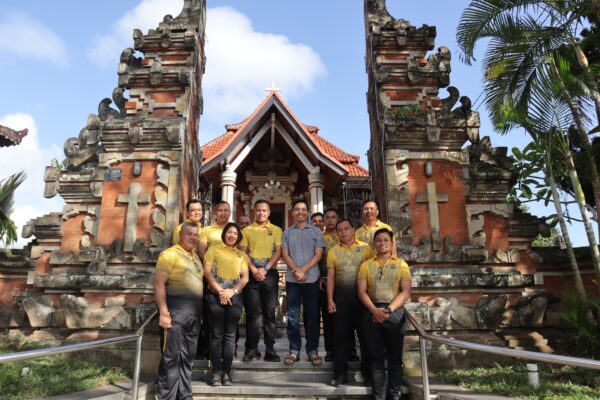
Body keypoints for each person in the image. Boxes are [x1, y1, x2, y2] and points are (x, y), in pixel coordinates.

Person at [357, 228, 412, 400]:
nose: (382, 243)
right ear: (374, 244)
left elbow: (405, 292)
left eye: (386, 240)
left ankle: (394, 394)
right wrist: (374, 310)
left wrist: (388, 310)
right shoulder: (366, 265)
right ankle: (379, 395)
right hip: (371, 312)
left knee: (395, 358)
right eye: (379, 240)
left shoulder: (401, 264)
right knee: (376, 357)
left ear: (392, 243)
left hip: (394, 312)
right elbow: (361, 292)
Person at [154, 221, 203, 400]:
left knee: (187, 358)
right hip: (175, 314)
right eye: (189, 233)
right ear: (181, 234)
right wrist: (164, 312)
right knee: (171, 358)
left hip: (194, 316)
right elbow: (159, 283)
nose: (193, 237)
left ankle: (184, 396)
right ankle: (166, 396)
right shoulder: (169, 254)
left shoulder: (196, 257)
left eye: (196, 235)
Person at [326, 219, 374, 386]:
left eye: (347, 228)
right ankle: (340, 374)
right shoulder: (333, 251)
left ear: (354, 230)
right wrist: (330, 299)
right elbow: (330, 277)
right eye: (340, 230)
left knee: (366, 338)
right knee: (340, 339)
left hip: (363, 300)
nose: (343, 232)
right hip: (341, 299)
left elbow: (372, 272)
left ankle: (368, 373)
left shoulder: (366, 248)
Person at [203, 222, 249, 386]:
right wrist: (221, 291)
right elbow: (207, 272)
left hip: (235, 297)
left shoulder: (241, 255)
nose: (232, 235)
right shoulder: (213, 249)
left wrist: (232, 292)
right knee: (216, 335)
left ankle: (226, 373)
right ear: (224, 234)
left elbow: (245, 278)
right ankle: (215, 373)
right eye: (229, 232)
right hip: (215, 295)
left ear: (238, 237)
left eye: (235, 234)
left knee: (230, 336)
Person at [281, 199, 324, 366]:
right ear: (292, 212)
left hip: (311, 279)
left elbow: (318, 255)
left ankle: (312, 350)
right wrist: (296, 271)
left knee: (312, 316)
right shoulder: (287, 233)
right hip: (293, 280)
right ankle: (294, 351)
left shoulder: (316, 232)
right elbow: (285, 254)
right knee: (292, 317)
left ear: (307, 212)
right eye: (297, 209)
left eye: (303, 209)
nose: (300, 212)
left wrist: (303, 270)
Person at [239, 200, 283, 362]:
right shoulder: (247, 230)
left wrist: (265, 268)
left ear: (269, 212)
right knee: (252, 313)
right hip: (251, 273)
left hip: (270, 273)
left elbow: (279, 252)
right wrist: (254, 269)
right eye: (258, 210)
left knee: (270, 312)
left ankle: (270, 349)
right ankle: (252, 349)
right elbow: (242, 252)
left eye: (264, 210)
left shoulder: (276, 230)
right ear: (254, 211)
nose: (261, 213)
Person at [194, 201, 232, 359]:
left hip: (230, 278)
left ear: (230, 213)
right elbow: (202, 251)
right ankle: (208, 350)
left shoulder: (233, 230)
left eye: (226, 210)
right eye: (220, 210)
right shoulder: (207, 230)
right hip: (210, 275)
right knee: (209, 314)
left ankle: (228, 351)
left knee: (229, 317)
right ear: (216, 212)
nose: (223, 213)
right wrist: (212, 267)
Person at [312, 209, 337, 362]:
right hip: (321, 282)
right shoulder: (318, 238)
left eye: (332, 218)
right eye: (326, 218)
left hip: (340, 283)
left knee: (341, 319)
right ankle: (330, 351)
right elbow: (313, 259)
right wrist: (320, 276)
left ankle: (349, 350)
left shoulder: (343, 235)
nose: (328, 221)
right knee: (326, 319)